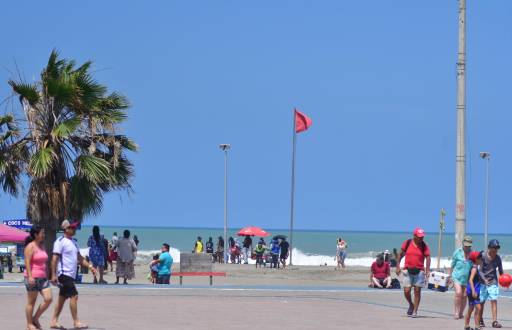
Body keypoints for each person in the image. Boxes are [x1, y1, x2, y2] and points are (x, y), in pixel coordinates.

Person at [50, 220, 96, 330]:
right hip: (63, 274)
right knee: (74, 296)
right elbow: (54, 259)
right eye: (72, 228)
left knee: (62, 298)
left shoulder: (74, 242)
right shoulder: (60, 241)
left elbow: (79, 258)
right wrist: (53, 275)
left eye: (75, 227)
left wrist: (90, 267)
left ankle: (53, 321)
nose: (75, 229)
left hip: (71, 275)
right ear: (66, 229)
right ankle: (76, 322)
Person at [396, 228, 431, 318]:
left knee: (417, 291)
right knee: (406, 291)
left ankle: (415, 311)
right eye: (419, 237)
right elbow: (400, 254)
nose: (421, 238)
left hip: (419, 271)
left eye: (422, 237)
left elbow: (428, 257)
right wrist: (397, 266)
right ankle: (411, 304)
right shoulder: (407, 243)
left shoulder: (424, 246)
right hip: (407, 270)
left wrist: (427, 270)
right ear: (414, 236)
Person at [23, 226, 52, 330]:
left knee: (49, 299)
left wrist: (48, 275)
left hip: (43, 277)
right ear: (36, 234)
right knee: (31, 302)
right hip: (32, 277)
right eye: (42, 233)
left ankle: (35, 318)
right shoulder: (30, 246)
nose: (44, 235)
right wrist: (30, 276)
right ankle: (29, 324)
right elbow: (27, 262)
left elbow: (45, 262)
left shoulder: (42, 246)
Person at [479, 239, 504, 328]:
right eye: (494, 248)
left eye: (497, 248)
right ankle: (480, 319)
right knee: (481, 302)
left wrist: (505, 282)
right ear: (489, 247)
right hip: (483, 282)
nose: (495, 250)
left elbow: (501, 272)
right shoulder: (483, 256)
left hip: (493, 282)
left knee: (494, 300)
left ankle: (494, 321)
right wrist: (485, 280)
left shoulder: (498, 258)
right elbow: (480, 271)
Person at [449, 235, 473, 319]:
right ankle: (456, 312)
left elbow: (474, 267)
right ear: (463, 244)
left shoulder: (472, 254)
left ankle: (461, 313)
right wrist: (450, 277)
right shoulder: (457, 252)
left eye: (469, 246)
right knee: (458, 293)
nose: (467, 247)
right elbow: (452, 265)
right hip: (457, 277)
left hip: (466, 279)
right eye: (466, 245)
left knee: (465, 295)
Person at [465, 251, 484, 330]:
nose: (481, 259)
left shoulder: (475, 267)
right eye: (479, 258)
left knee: (471, 308)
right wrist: (473, 290)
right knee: (478, 308)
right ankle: (477, 326)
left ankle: (466, 325)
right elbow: (470, 280)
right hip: (473, 291)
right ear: (475, 259)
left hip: (472, 290)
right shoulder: (474, 268)